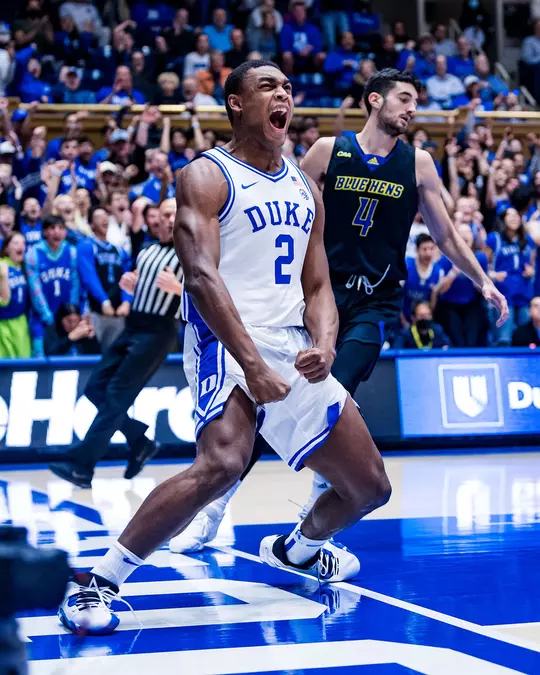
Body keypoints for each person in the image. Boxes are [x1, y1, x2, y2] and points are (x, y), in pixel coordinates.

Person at [56, 60, 383, 634]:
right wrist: (252, 364)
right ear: (236, 103)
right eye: (268, 87)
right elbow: (201, 276)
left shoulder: (307, 185)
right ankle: (97, 583)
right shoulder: (207, 175)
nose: (283, 95)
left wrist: (326, 346)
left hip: (291, 342)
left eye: (287, 87)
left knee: (369, 488)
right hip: (223, 336)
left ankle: (298, 550)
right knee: (222, 464)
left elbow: (318, 285)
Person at [169, 67, 509, 555]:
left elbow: (446, 233)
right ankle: (216, 508)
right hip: (314, 298)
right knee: (273, 404)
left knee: (332, 396)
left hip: (374, 299)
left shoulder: (419, 164)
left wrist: (483, 281)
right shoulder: (329, 151)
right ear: (375, 100)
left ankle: (315, 518)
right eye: (406, 99)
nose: (413, 110)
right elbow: (285, 212)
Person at [49, 199, 182, 490]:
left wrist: (179, 290)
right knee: (95, 388)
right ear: (157, 218)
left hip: (158, 333)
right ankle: (140, 441)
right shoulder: (148, 249)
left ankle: (82, 466)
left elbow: (205, 302)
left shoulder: (192, 253)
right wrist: (134, 286)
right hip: (133, 324)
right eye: (165, 214)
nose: (170, 219)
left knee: (116, 396)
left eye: (175, 214)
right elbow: (143, 286)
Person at [77, 206, 132, 350]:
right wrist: (103, 301)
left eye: (106, 216)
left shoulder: (120, 251)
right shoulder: (87, 246)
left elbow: (128, 279)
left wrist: (126, 302)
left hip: (117, 312)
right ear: (91, 224)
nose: (104, 219)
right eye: (99, 217)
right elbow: (89, 277)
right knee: (92, 355)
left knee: (115, 355)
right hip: (94, 311)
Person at [25, 215, 80, 357]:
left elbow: (75, 283)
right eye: (52, 228)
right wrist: (45, 313)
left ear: (66, 232)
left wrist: (72, 310)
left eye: (61, 228)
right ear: (44, 232)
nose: (57, 232)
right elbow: (34, 287)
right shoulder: (34, 253)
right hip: (42, 318)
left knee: (68, 358)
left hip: (66, 318)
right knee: (41, 359)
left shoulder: (72, 252)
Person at [0, 232, 31, 358]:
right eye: (16, 243)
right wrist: (4, 277)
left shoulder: (23, 268)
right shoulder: (2, 266)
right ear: (7, 248)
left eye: (23, 243)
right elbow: (4, 300)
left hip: (21, 322)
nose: (21, 246)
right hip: (3, 324)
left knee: (24, 366)